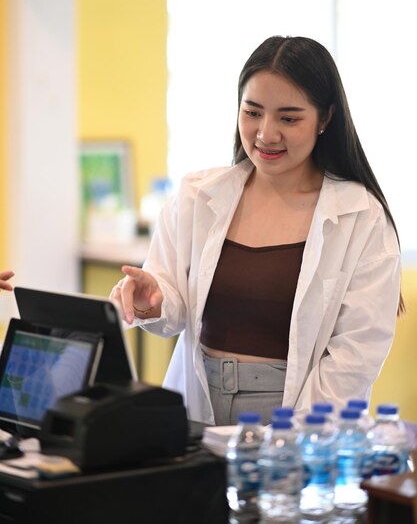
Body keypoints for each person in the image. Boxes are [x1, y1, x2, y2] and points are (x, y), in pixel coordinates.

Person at [110, 36, 402, 426]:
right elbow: (173, 310)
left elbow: (357, 351)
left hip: (296, 414)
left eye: (289, 117)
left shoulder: (360, 216)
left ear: (325, 119)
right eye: (252, 112)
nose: (266, 133)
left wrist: (295, 438)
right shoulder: (198, 196)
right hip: (198, 407)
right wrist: (153, 300)